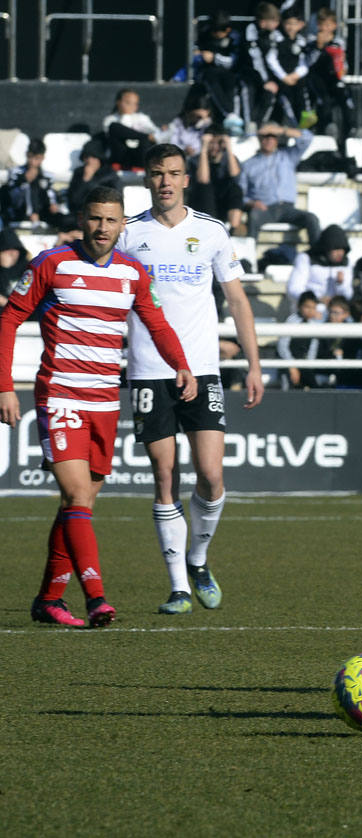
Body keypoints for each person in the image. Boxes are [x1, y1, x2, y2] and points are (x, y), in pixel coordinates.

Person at [0, 186, 197, 628]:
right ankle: (95, 597)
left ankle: (49, 600)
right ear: (82, 219)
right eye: (94, 219)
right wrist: (4, 386)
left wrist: (181, 366)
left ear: (123, 223)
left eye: (111, 220)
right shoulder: (52, 263)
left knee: (80, 502)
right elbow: (9, 318)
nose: (102, 228)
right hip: (61, 395)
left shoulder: (133, 272)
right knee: (75, 497)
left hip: (106, 400)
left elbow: (156, 323)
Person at [118, 143, 264, 616]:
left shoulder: (211, 232)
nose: (165, 181)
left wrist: (254, 364)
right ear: (147, 179)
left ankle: (198, 560)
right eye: (157, 173)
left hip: (202, 368)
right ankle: (179, 586)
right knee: (165, 476)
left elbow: (238, 301)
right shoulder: (128, 234)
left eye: (174, 173)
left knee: (212, 475)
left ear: (185, 179)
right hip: (148, 370)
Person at [239, 123, 320, 241]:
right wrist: (252, 203)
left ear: (277, 139)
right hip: (265, 209)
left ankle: (317, 257)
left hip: (288, 209)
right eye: (265, 136)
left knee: (311, 219)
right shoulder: (247, 165)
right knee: (253, 216)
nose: (269, 140)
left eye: (273, 136)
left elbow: (307, 138)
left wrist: (281, 130)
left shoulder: (288, 156)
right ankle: (250, 256)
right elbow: (240, 194)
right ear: (259, 138)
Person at [303, 7, 356, 153]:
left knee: (345, 98)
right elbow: (309, 63)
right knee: (323, 101)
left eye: (328, 25)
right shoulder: (311, 41)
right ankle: (325, 127)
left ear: (334, 26)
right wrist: (319, 47)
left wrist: (343, 70)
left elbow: (341, 61)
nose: (325, 29)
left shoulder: (338, 42)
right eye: (322, 25)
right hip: (316, 78)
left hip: (333, 78)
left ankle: (351, 128)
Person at [192, 9, 246, 134]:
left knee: (232, 82)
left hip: (229, 72)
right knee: (209, 78)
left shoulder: (235, 38)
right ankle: (229, 115)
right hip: (208, 72)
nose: (215, 34)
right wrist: (200, 55)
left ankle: (232, 116)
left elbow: (233, 61)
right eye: (213, 30)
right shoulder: (205, 33)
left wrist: (214, 57)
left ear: (227, 30)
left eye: (218, 31)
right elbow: (194, 51)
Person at [0, 138, 70, 231]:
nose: (33, 162)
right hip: (18, 210)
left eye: (37, 158)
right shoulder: (15, 172)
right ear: (27, 155)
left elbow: (50, 194)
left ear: (42, 158)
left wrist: (53, 204)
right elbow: (12, 197)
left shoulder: (47, 176)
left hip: (41, 211)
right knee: (27, 186)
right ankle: (33, 217)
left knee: (63, 218)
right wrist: (24, 179)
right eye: (30, 157)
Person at [267, 9, 317, 129]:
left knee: (302, 97)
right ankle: (282, 123)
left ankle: (306, 126)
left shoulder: (302, 41)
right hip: (281, 79)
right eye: (287, 23)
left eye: (294, 23)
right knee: (283, 101)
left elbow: (305, 62)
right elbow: (271, 59)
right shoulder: (276, 39)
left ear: (301, 25)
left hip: (296, 78)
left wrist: (296, 75)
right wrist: (284, 76)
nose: (290, 27)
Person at [189, 128, 245, 232]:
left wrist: (228, 146)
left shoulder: (229, 158)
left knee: (236, 188)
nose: (215, 147)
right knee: (206, 189)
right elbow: (203, 180)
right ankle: (211, 228)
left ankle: (234, 229)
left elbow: (235, 175)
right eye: (211, 143)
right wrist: (204, 148)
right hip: (202, 204)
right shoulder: (196, 160)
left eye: (218, 143)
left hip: (223, 202)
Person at [238, 1, 283, 127]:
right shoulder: (251, 30)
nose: (277, 24)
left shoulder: (274, 34)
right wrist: (265, 81)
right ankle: (249, 124)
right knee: (248, 89)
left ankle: (259, 125)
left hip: (266, 76)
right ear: (263, 22)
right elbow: (255, 59)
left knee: (271, 93)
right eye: (273, 21)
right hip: (249, 73)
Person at [287, 224, 353, 306]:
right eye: (335, 249)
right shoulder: (306, 258)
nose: (340, 253)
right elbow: (294, 288)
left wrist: (341, 284)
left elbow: (348, 296)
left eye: (342, 249)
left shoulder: (346, 263)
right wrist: (316, 300)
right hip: (312, 308)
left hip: (336, 311)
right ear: (326, 248)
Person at [102, 88, 161, 170]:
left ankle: (141, 167)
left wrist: (148, 136)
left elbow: (155, 133)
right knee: (114, 127)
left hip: (138, 156)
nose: (131, 106)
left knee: (146, 141)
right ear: (118, 102)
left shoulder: (142, 118)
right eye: (128, 103)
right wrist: (144, 136)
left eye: (135, 104)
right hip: (121, 157)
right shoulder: (110, 119)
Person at [277, 289, 323, 389]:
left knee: (313, 385)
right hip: (288, 363)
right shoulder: (291, 321)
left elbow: (313, 348)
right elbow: (283, 347)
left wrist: (308, 365)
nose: (310, 311)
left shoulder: (314, 324)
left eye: (313, 308)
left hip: (304, 363)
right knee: (289, 387)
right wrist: (292, 366)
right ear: (299, 306)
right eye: (307, 307)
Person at [66, 138, 120, 216]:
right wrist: (85, 180)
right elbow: (73, 201)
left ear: (100, 159)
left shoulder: (109, 174)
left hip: (104, 214)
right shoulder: (78, 173)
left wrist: (91, 183)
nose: (89, 161)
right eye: (86, 157)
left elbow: (116, 198)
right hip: (81, 214)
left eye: (93, 157)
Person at [160, 93, 215, 160]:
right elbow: (172, 142)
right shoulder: (177, 124)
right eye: (198, 117)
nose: (200, 121)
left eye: (203, 117)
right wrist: (184, 149)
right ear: (189, 113)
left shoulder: (209, 126)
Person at [0, 226, 29, 307]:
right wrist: (4, 269)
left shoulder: (26, 268)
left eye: (16, 249)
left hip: (23, 313)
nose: (12, 253)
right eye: (7, 249)